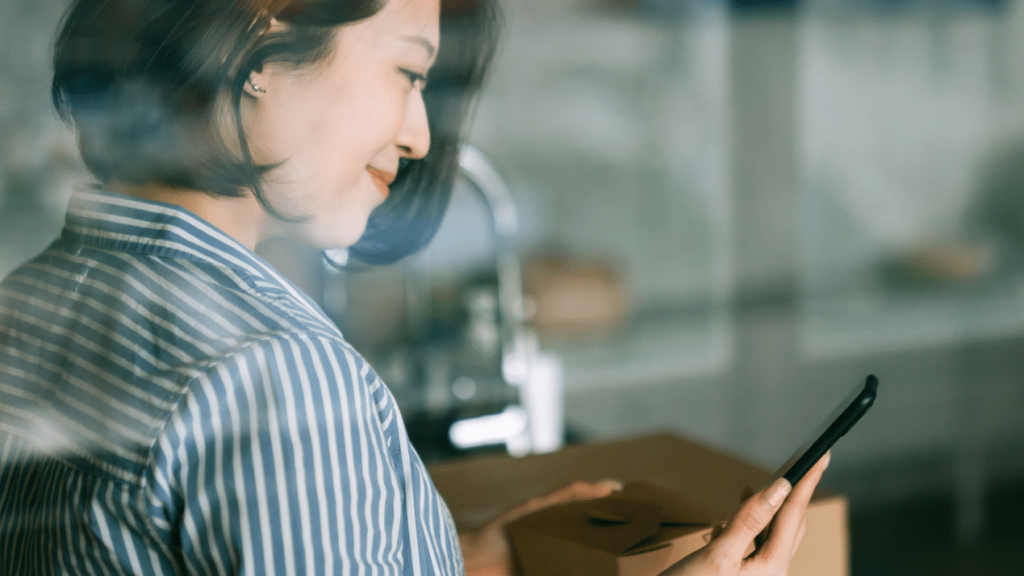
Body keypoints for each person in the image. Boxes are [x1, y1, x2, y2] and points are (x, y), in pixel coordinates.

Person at [0, 0, 828, 574]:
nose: (420, 134)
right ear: (261, 37)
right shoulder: (281, 381)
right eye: (409, 71)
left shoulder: (25, 307)